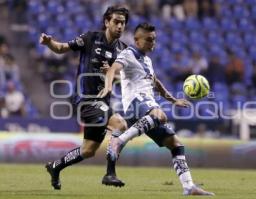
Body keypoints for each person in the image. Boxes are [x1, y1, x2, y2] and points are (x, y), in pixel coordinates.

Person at [99, 23, 214, 196]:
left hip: (145, 104)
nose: (153, 43)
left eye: (154, 40)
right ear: (137, 40)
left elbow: (155, 82)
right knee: (160, 115)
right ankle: (120, 140)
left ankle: (189, 186)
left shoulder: (146, 59)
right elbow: (114, 68)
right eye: (149, 39)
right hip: (136, 101)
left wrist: (174, 100)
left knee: (176, 144)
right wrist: (108, 84)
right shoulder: (128, 54)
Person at [40, 6, 130, 190]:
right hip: (85, 100)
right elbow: (61, 48)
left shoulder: (124, 51)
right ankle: (110, 174)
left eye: (123, 23)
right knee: (120, 124)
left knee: (88, 150)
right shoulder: (91, 38)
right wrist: (50, 43)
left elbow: (126, 80)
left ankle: (55, 167)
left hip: (103, 102)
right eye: (116, 22)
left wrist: (112, 74)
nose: (120, 26)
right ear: (107, 22)